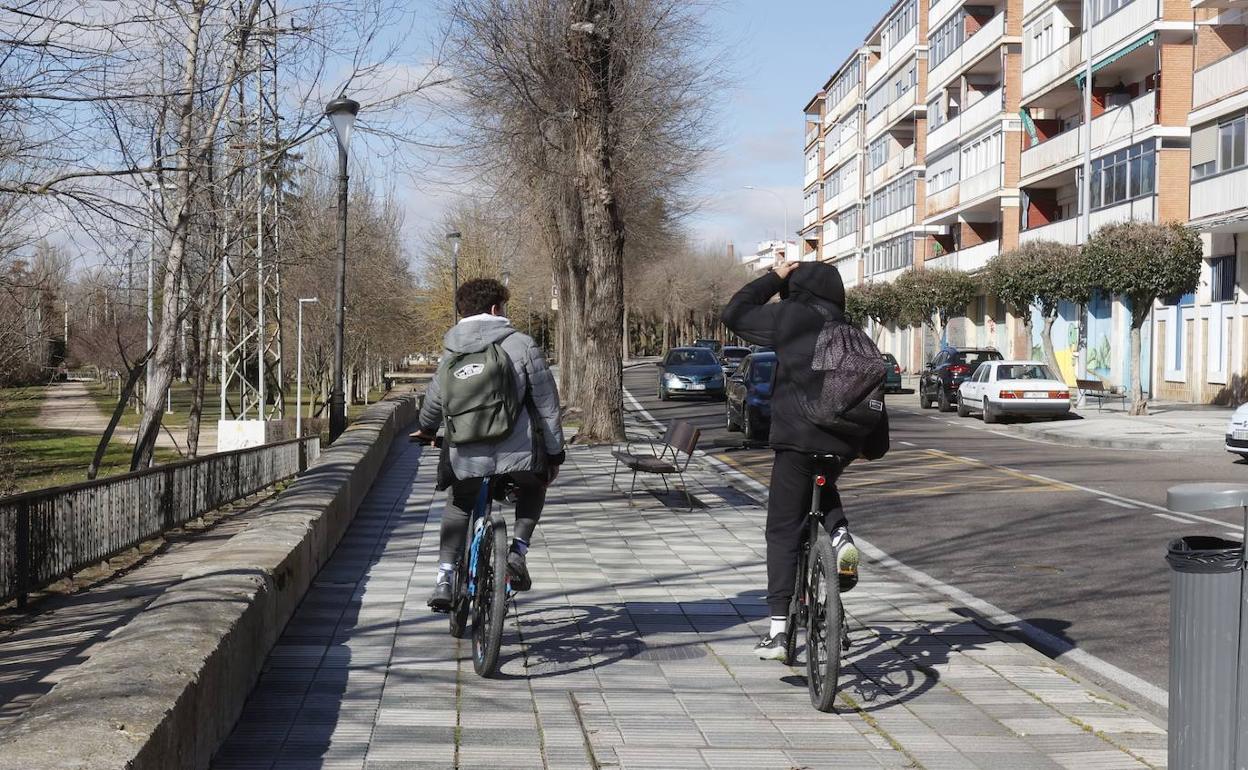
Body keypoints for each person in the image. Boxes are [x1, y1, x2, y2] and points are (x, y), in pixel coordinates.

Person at [722, 260, 889, 660]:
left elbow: (735, 313)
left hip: (797, 440)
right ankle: (839, 534)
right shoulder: (853, 333)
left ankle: (779, 630)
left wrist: (774, 277)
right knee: (823, 480)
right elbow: (873, 397)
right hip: (843, 444)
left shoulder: (791, 317)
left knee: (782, 530)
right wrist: (872, 447)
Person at [411, 278, 565, 610]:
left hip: (466, 453)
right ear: (496, 309)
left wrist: (426, 429)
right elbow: (547, 404)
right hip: (519, 453)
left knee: (459, 504)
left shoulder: (452, 348)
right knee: (535, 486)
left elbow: (436, 399)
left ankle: (444, 577)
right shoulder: (522, 345)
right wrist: (555, 454)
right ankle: (517, 551)